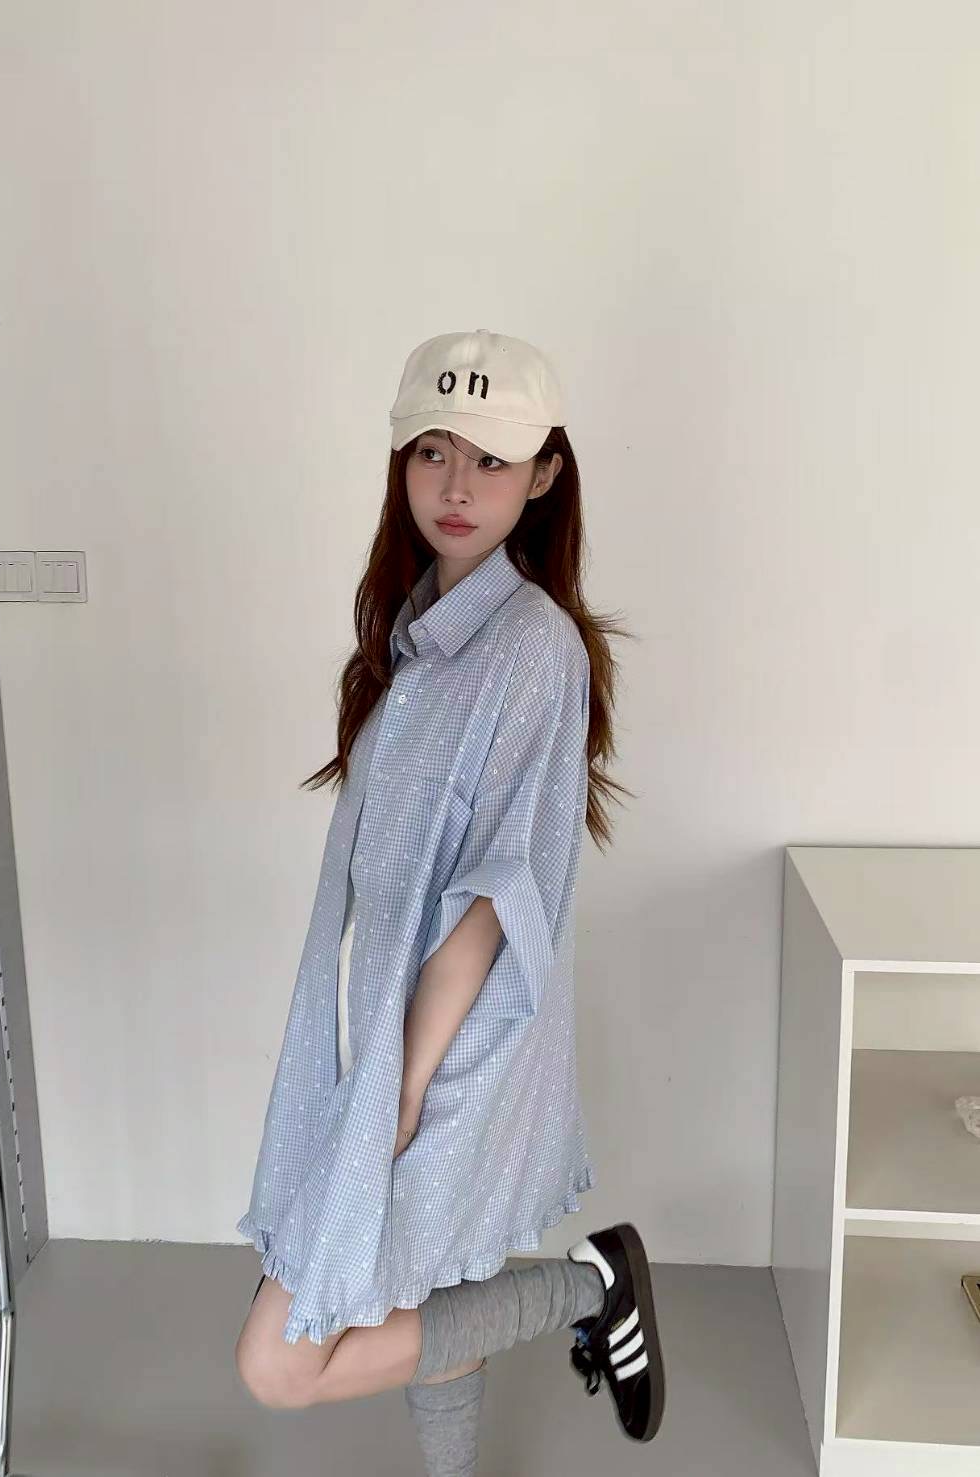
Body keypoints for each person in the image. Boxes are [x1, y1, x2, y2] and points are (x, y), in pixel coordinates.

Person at [234, 329, 666, 1471]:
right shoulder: (419, 627)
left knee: (280, 1360)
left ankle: (590, 1287)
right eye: (433, 451)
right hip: (402, 1022)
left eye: (490, 457)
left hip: (451, 1039)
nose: (457, 486)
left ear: (544, 472)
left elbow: (490, 900)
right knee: (427, 1286)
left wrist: (404, 1082)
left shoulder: (533, 648)